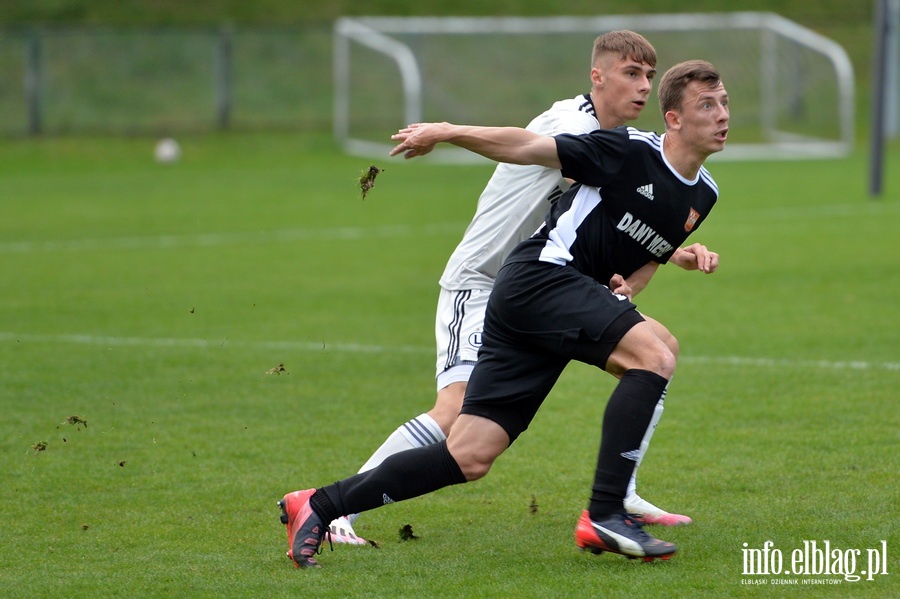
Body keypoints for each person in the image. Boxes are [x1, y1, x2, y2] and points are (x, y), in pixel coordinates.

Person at [279, 59, 727, 567]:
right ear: (674, 118)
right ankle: (608, 510)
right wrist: (447, 131)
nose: (721, 115)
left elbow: (639, 264)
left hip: (550, 299)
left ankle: (318, 504)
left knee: (470, 454)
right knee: (655, 354)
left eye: (725, 103)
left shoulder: (703, 194)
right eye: (706, 105)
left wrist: (627, 284)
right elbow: (526, 147)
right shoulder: (626, 149)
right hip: (541, 279)